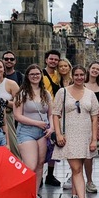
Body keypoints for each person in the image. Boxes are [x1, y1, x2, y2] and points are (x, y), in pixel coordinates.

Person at [52, 65, 99, 198]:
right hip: (70, 136)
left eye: (81, 75)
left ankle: (74, 197)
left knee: (76, 169)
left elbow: (94, 118)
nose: (79, 77)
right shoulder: (63, 92)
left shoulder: (90, 94)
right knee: (77, 169)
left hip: (84, 135)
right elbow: (55, 114)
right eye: (76, 75)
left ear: (85, 76)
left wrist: (93, 139)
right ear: (72, 76)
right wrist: (58, 134)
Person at [14, 64, 54, 198]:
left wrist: (52, 128)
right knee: (30, 165)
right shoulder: (22, 93)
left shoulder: (46, 93)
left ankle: (34, 194)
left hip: (43, 132)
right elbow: (17, 116)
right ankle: (23, 193)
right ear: (27, 76)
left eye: (37, 74)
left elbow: (51, 114)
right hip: (26, 131)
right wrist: (36, 123)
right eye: (32, 74)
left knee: (39, 165)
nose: (35, 76)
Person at [84, 61, 99, 194]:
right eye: (93, 68)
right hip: (86, 119)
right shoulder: (82, 84)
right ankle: (89, 181)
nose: (95, 71)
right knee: (89, 153)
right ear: (89, 69)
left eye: (97, 69)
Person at [41, 50, 63, 187]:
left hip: (56, 112)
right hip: (43, 111)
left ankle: (50, 174)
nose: (53, 61)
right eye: (51, 59)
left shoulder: (59, 75)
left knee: (53, 145)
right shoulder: (41, 74)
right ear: (46, 60)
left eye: (56, 59)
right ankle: (40, 173)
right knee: (43, 144)